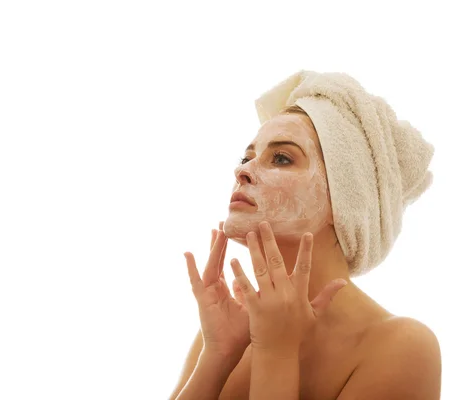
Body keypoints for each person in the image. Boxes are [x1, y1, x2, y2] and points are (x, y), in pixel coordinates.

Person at [170, 71, 441, 399]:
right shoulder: (227, 333)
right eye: (247, 157)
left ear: (345, 201)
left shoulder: (402, 348)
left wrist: (277, 353)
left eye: (281, 158)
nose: (242, 170)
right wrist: (217, 356)